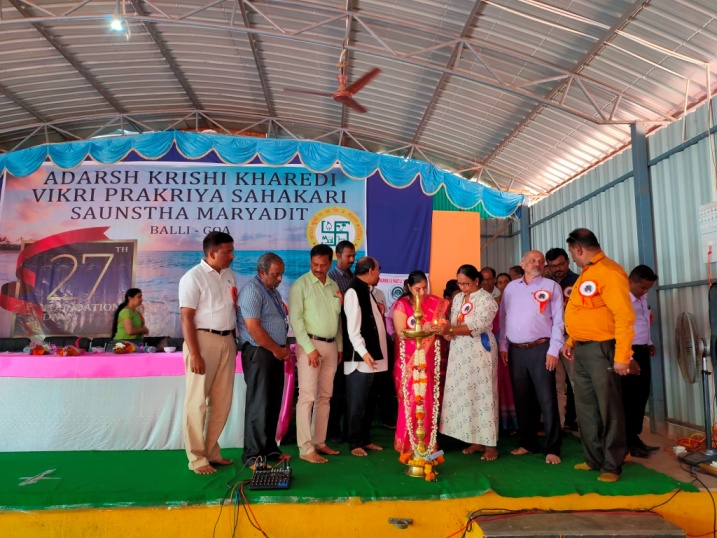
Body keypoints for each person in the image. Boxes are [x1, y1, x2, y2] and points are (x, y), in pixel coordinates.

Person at [562, 228, 635, 483]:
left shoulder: (609, 272)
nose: (573, 257)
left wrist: (623, 356)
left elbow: (624, 316)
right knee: (586, 408)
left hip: (603, 349)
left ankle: (612, 464)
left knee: (609, 408)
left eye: (572, 253)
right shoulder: (587, 273)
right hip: (581, 349)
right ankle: (593, 458)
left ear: (579, 249)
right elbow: (585, 311)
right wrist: (571, 340)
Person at [178, 232, 238, 475]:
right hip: (202, 341)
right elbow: (186, 318)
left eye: (232, 251)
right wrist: (195, 354)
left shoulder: (229, 275)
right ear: (212, 253)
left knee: (222, 402)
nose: (232, 256)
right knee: (197, 402)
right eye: (227, 251)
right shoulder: (193, 277)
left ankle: (212, 451)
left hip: (228, 340)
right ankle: (196, 458)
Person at [499, 250, 564, 464]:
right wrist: (503, 346)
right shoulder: (511, 288)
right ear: (522, 263)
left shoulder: (551, 286)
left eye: (540, 261)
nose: (536, 263)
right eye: (532, 260)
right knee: (522, 398)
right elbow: (503, 318)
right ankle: (528, 443)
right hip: (516, 350)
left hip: (541, 348)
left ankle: (552, 447)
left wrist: (553, 350)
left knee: (547, 398)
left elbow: (559, 321)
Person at [289, 244, 343, 464]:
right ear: (310, 261)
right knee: (307, 396)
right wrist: (309, 349)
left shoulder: (333, 285)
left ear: (331, 263)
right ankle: (305, 448)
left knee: (325, 396)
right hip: (309, 345)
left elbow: (337, 319)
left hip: (331, 346)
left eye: (323, 265)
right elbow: (296, 320)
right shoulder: (300, 285)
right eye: (315, 264)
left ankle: (319, 441)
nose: (318, 269)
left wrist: (339, 346)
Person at [439, 265, 499, 460]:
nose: (462, 287)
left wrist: (450, 330)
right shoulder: (457, 298)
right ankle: (474, 440)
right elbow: (454, 323)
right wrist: (447, 332)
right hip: (459, 351)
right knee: (466, 394)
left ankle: (490, 444)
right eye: (460, 283)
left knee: (483, 394)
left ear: (476, 281)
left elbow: (479, 325)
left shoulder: (486, 299)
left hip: (480, 351)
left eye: (466, 283)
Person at [237, 252, 291, 466]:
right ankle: (253, 456)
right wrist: (276, 349)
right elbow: (253, 328)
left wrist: (282, 347)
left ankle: (269, 449)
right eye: (276, 274)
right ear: (262, 272)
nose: (280, 278)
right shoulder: (252, 291)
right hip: (260, 352)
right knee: (259, 404)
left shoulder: (271, 291)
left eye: (281, 274)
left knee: (272, 402)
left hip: (273, 352)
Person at [392, 271, 448, 455]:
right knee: (411, 400)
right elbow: (400, 333)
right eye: (418, 289)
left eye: (425, 288)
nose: (422, 292)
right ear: (409, 287)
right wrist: (421, 329)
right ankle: (408, 445)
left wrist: (441, 326)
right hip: (408, 359)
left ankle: (428, 444)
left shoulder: (435, 302)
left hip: (428, 359)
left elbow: (443, 328)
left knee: (427, 399)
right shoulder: (402, 304)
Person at [343, 256, 388, 456]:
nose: (379, 274)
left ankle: (364, 439)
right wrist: (364, 353)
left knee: (369, 401)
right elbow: (352, 329)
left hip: (372, 357)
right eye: (378, 270)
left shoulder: (368, 291)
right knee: (357, 402)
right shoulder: (354, 291)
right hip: (361, 358)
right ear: (370, 271)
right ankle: (354, 443)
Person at [623, 265, 659, 458]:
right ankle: (627, 441)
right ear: (630, 281)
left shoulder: (642, 298)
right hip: (628, 353)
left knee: (642, 395)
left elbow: (643, 322)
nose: (645, 292)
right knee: (628, 398)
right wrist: (628, 358)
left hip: (642, 350)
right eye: (642, 287)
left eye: (648, 289)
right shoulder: (622, 299)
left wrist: (649, 342)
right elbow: (618, 330)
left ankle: (635, 437)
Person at [546, 247, 580, 432]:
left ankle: (584, 425)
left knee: (577, 382)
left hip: (572, 338)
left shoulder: (578, 281)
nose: (557, 269)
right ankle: (558, 426)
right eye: (553, 266)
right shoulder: (545, 284)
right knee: (556, 384)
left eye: (560, 264)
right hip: (551, 339)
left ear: (568, 261)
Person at [327, 240, 356, 443]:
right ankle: (333, 429)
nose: (352, 259)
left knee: (349, 387)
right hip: (339, 337)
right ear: (338, 256)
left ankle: (349, 429)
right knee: (336, 387)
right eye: (348, 256)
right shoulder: (331, 279)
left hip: (354, 339)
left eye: (353, 255)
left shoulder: (354, 278)